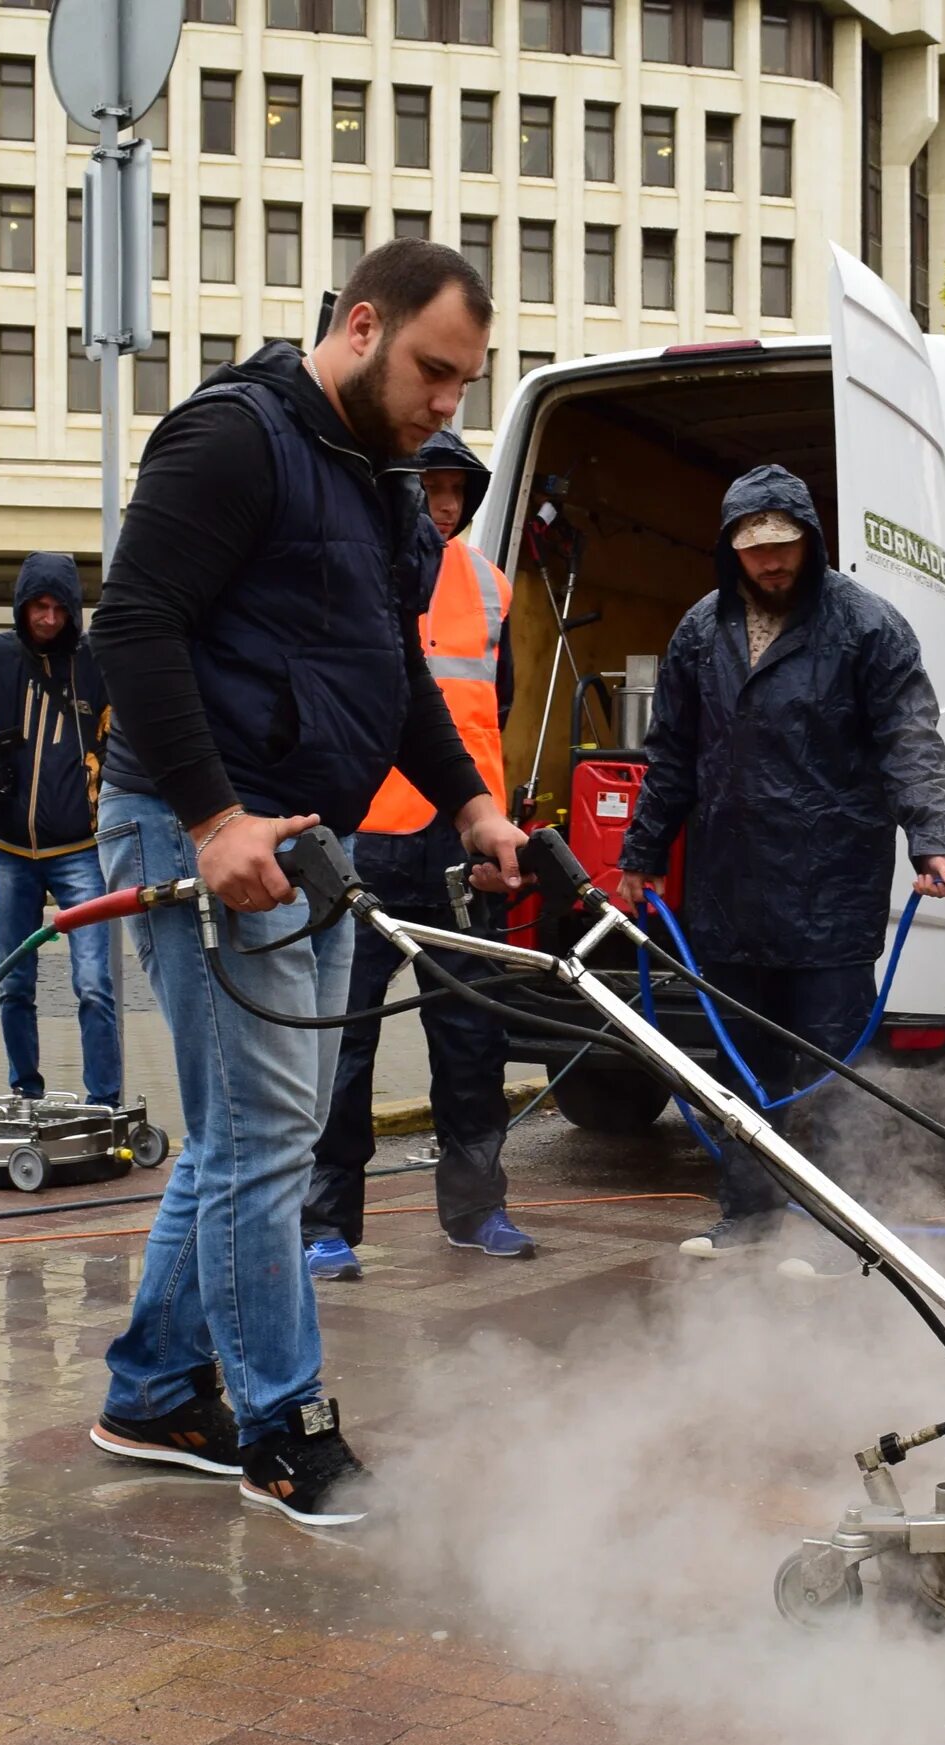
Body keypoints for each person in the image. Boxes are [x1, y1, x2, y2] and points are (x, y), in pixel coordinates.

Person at [84, 238, 526, 1527]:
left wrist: (476, 806)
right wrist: (212, 818)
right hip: (203, 832)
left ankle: (158, 1391)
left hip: (307, 835)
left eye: (466, 383)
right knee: (268, 1139)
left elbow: (391, 675)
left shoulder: (388, 484)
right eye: (435, 372)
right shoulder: (234, 438)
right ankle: (285, 1428)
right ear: (362, 324)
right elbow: (135, 627)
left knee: (244, 1135)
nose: (449, 405)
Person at [617, 467, 945, 1256]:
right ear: (729, 548)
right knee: (740, 1067)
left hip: (830, 889)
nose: (769, 562)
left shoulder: (867, 626)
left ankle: (844, 1235)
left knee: (836, 1071)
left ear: (810, 538)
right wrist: (641, 854)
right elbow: (671, 755)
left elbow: (909, 737)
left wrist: (933, 838)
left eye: (782, 545)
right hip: (731, 889)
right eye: (752, 546)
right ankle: (748, 1217)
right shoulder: (701, 632)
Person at [302, 431, 533, 1279]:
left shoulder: (490, 586)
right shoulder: (353, 573)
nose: (440, 507)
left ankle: (478, 1210)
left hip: (458, 847)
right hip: (360, 842)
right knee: (343, 1042)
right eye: (427, 490)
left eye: (452, 494)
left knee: (473, 1038)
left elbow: (487, 713)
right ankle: (325, 1224)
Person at [0, 553, 123, 1104]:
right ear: (22, 606)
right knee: (15, 985)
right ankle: (24, 1094)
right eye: (39, 607)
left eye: (59, 608)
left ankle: (104, 1101)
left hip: (81, 849)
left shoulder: (94, 659)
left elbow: (115, 733)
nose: (48, 619)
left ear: (73, 610)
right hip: (10, 847)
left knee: (95, 985)